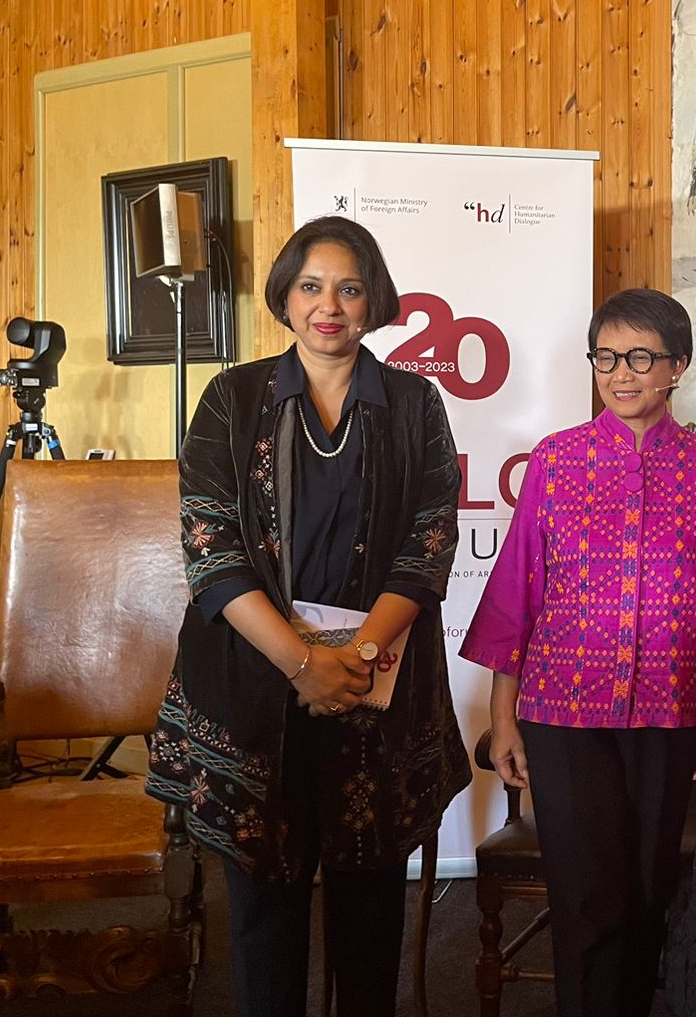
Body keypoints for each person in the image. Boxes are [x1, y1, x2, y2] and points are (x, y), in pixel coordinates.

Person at [147, 215, 470, 1017]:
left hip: (378, 685)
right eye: (313, 286)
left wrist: (351, 660)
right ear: (286, 297)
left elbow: (430, 541)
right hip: (255, 689)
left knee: (369, 907)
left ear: (375, 301)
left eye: (350, 288)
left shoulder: (412, 401)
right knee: (261, 913)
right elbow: (209, 546)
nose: (331, 305)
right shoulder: (232, 396)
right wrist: (301, 661)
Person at [461, 288, 696, 1017]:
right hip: (561, 712)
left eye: (640, 357)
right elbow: (515, 591)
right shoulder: (557, 461)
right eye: (607, 357)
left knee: (647, 893)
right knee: (586, 901)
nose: (621, 373)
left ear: (677, 366)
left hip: (671, 713)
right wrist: (505, 712)